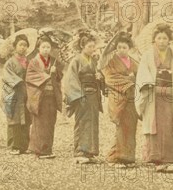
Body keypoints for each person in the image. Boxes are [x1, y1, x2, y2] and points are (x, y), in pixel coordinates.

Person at [135, 23, 173, 173]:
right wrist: (152, 82)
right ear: (154, 39)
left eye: (165, 38)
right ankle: (156, 159)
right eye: (159, 38)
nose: (162, 41)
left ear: (169, 40)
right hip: (153, 94)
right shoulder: (148, 55)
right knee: (156, 124)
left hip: (170, 94)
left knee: (169, 125)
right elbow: (142, 74)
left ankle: (170, 159)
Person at [63, 32, 103, 163]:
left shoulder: (94, 61)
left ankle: (90, 152)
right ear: (82, 46)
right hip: (81, 95)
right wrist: (78, 95)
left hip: (93, 96)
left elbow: (100, 78)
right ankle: (80, 151)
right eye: (89, 46)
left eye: (93, 47)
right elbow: (71, 79)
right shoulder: (76, 60)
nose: (92, 49)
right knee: (82, 122)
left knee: (92, 123)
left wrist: (99, 78)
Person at [102, 32, 139, 166]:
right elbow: (110, 78)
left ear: (129, 48)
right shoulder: (111, 62)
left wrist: (135, 80)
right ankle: (116, 157)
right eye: (119, 47)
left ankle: (128, 157)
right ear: (116, 48)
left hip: (132, 98)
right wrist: (129, 81)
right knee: (121, 127)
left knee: (131, 127)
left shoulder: (134, 62)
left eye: (124, 47)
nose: (122, 50)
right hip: (118, 96)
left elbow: (141, 76)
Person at [26, 36, 63, 159]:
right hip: (40, 96)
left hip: (51, 96)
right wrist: (47, 74)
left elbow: (59, 76)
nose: (46, 49)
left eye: (48, 47)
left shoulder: (53, 60)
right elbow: (30, 76)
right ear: (38, 48)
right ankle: (39, 150)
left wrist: (56, 71)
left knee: (50, 122)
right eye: (43, 47)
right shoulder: (34, 62)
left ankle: (47, 149)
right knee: (40, 123)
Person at [1, 34, 32, 155]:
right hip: (13, 92)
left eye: (25, 45)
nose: (23, 48)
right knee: (14, 119)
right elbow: (6, 76)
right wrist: (19, 81)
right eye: (20, 45)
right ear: (15, 47)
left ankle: (24, 145)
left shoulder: (28, 62)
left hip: (26, 93)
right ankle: (13, 145)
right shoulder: (10, 62)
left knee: (26, 119)